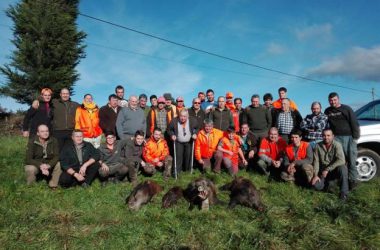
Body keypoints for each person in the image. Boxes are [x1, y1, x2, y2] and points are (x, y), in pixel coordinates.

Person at [324, 92, 360, 189]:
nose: (333, 102)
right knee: (338, 159)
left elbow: (354, 122)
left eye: (335, 100)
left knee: (352, 160)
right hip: (335, 138)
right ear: (328, 101)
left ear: (338, 99)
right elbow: (326, 124)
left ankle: (353, 181)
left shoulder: (346, 108)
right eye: (331, 100)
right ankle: (339, 180)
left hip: (348, 137)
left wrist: (355, 137)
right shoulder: (327, 111)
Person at [312, 129, 349, 200]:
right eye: (324, 135)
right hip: (323, 172)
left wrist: (327, 169)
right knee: (316, 186)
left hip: (334, 170)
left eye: (328, 135)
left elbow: (341, 160)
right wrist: (315, 175)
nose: (326, 137)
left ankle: (343, 193)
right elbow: (316, 161)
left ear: (333, 136)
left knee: (343, 168)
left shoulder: (337, 145)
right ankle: (330, 184)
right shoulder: (317, 146)